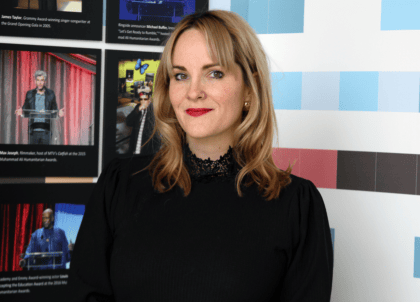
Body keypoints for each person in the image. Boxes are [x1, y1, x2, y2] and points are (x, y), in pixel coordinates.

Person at [69, 10, 333, 301]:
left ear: (249, 87)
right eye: (181, 75)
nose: (193, 92)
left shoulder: (296, 206)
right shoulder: (120, 185)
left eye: (214, 73)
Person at [15, 70, 64, 145]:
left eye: (42, 80)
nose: (40, 83)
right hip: (33, 130)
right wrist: (21, 112)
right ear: (35, 81)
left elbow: (54, 110)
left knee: (45, 154)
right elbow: (25, 109)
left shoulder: (50, 94)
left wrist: (58, 113)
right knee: (33, 154)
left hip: (46, 130)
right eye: (38, 80)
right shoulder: (30, 94)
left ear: (45, 81)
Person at [125, 90, 160, 155]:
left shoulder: (154, 111)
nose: (143, 101)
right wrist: (137, 110)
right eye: (141, 99)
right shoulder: (138, 108)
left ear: (150, 100)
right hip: (135, 149)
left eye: (145, 99)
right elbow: (128, 122)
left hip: (146, 151)